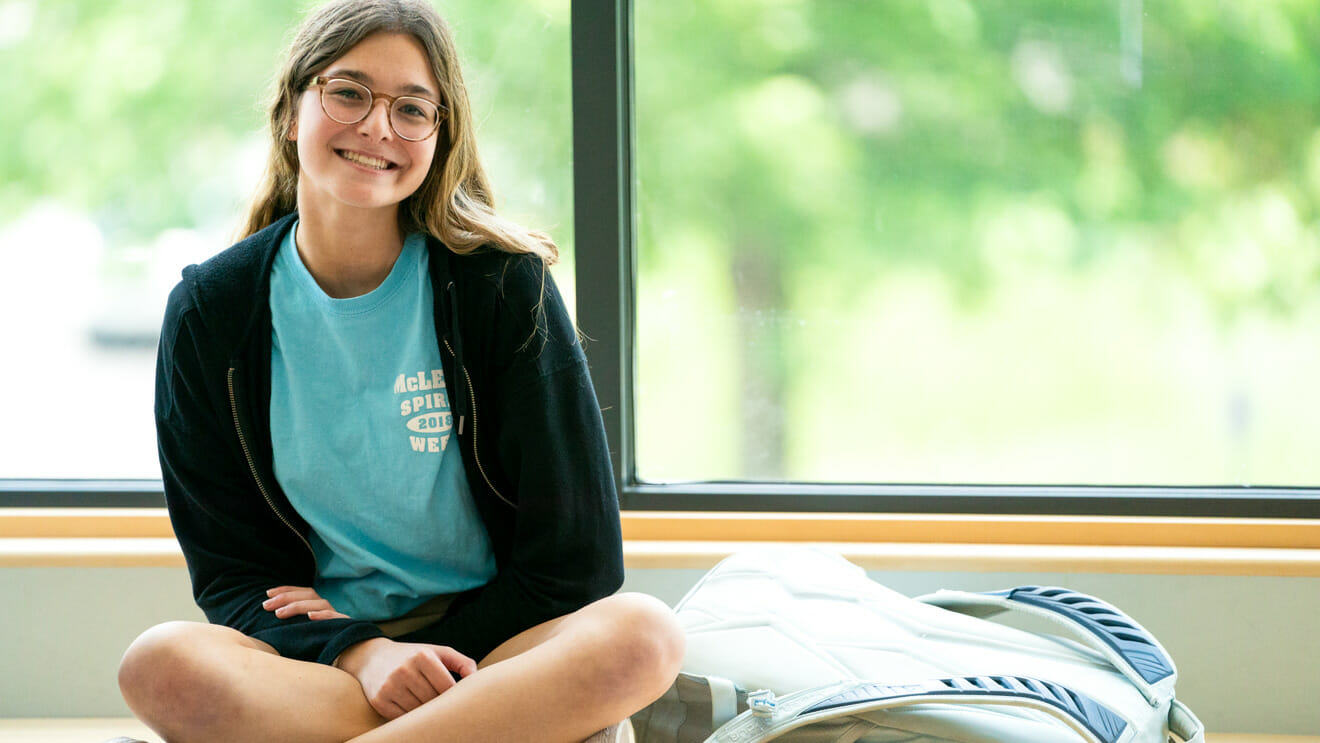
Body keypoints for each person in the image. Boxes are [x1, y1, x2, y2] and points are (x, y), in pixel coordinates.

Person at [116, 1, 684, 741]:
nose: (378, 127)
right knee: (158, 663)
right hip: (330, 661)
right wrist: (363, 652)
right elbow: (232, 573)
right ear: (292, 110)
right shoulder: (211, 312)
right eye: (348, 92)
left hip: (496, 649)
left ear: (440, 136)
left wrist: (422, 661)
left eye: (412, 108)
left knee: (643, 635)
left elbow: (577, 561)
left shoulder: (504, 288)